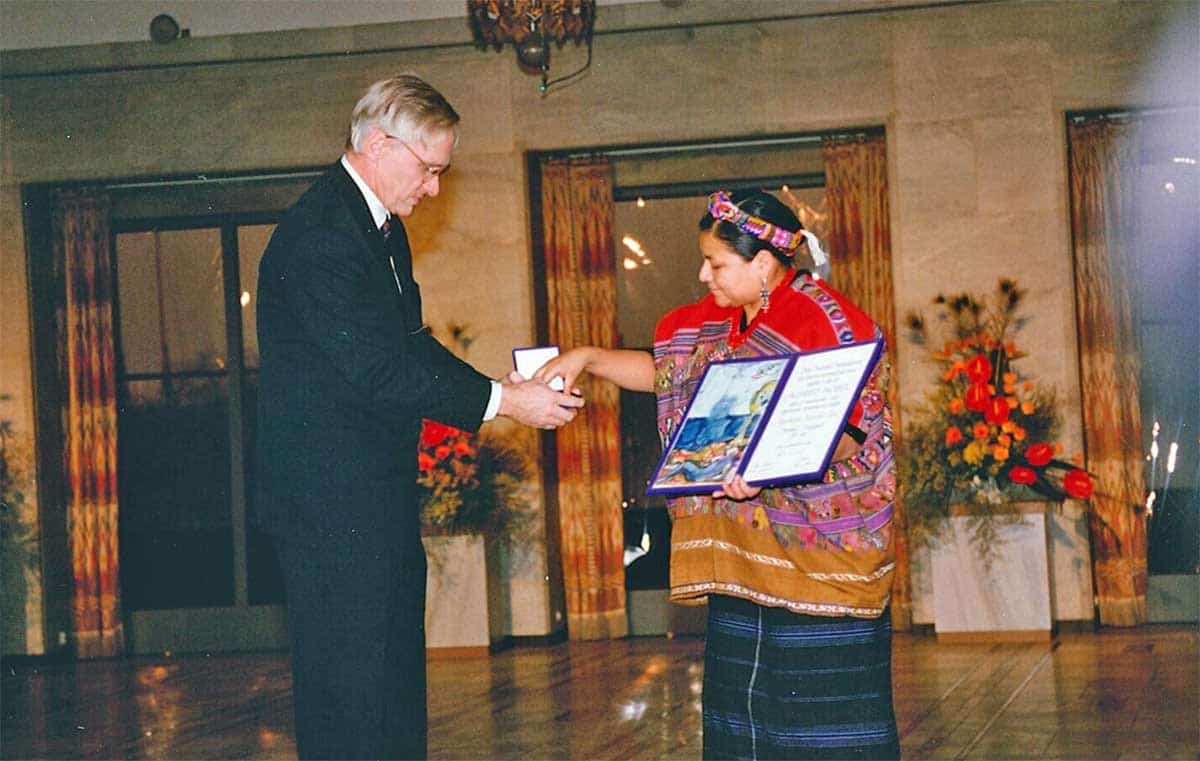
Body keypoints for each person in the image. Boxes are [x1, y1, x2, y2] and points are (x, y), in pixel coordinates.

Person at [253, 74, 583, 761]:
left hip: (370, 499)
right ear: (379, 144)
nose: (434, 189)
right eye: (429, 169)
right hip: (330, 512)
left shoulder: (377, 231)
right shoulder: (322, 237)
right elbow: (377, 370)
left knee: (391, 689)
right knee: (351, 700)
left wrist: (499, 386)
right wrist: (503, 403)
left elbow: (410, 346)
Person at [535, 189, 899, 759]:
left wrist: (769, 473)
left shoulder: (827, 320)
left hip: (816, 564)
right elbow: (665, 372)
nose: (703, 274)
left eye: (716, 262)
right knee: (744, 714)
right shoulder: (710, 322)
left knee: (821, 720)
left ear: (762, 263)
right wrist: (589, 358)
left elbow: (852, 426)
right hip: (740, 557)